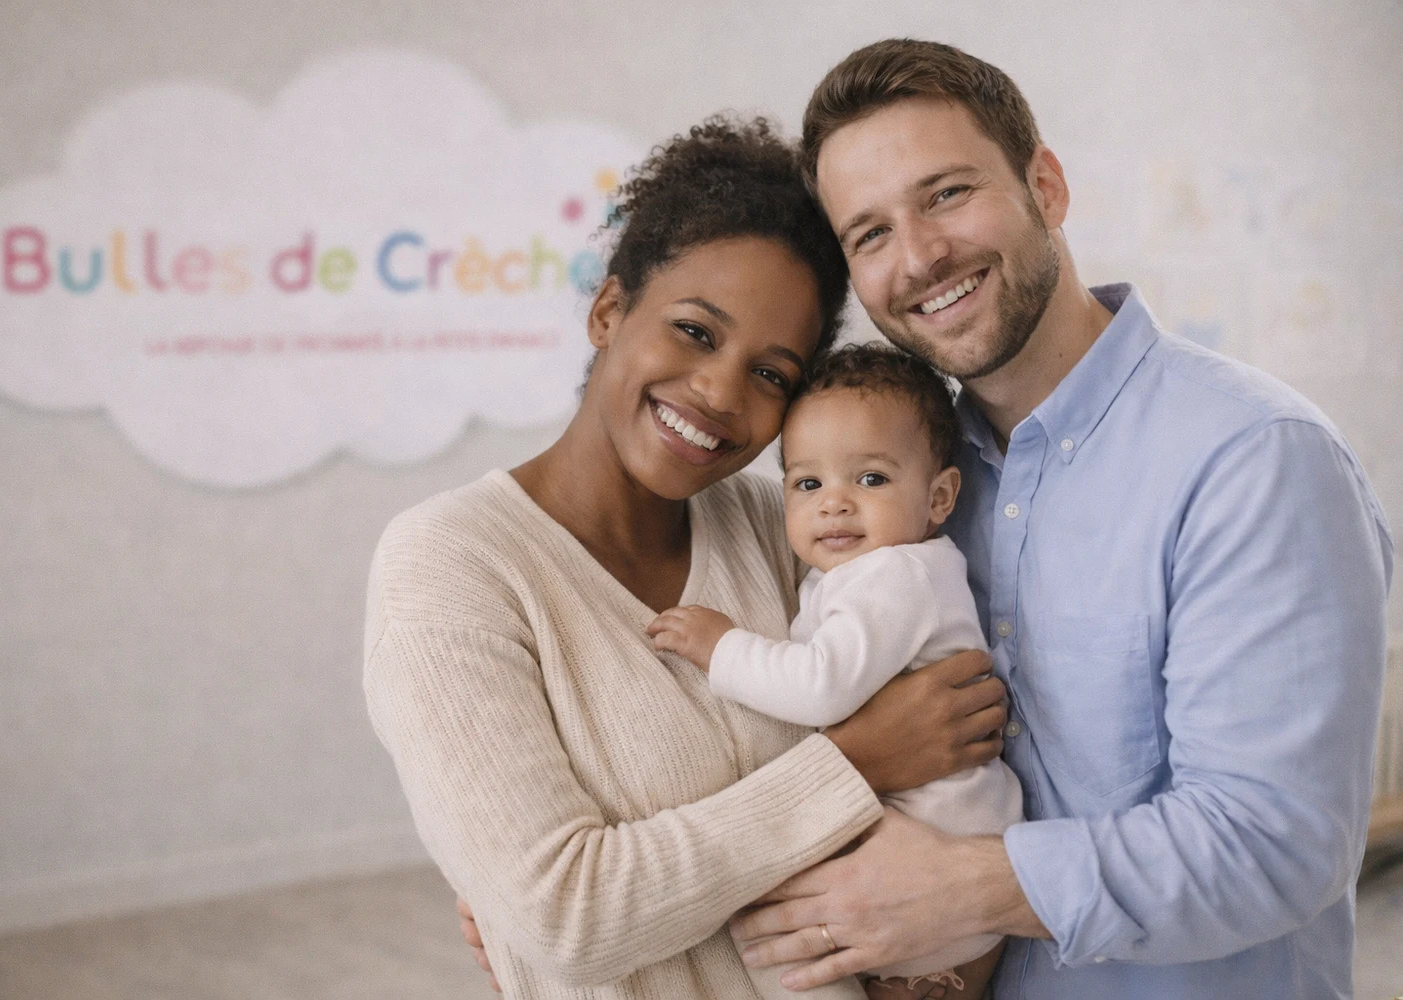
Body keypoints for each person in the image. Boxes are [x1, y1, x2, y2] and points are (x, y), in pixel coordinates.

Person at [727, 39, 1394, 1000]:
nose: (918, 257)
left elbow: (1274, 843)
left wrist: (961, 888)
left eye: (947, 193)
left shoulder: (1256, 459)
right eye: (869, 234)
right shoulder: (899, 487)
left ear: (1046, 184)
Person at [364, 116, 1009, 1000]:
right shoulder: (451, 564)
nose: (718, 393)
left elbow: (941, 725)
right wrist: (859, 764)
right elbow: (571, 918)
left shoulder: (776, 524)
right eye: (697, 332)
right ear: (608, 309)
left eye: (771, 374)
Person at [648, 343, 1022, 997]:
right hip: (935, 839)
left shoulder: (894, 576)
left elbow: (823, 685)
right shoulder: (867, 573)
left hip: (938, 845)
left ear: (938, 497)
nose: (835, 504)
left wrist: (722, 647)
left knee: (762, 921)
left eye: (871, 479)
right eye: (807, 483)